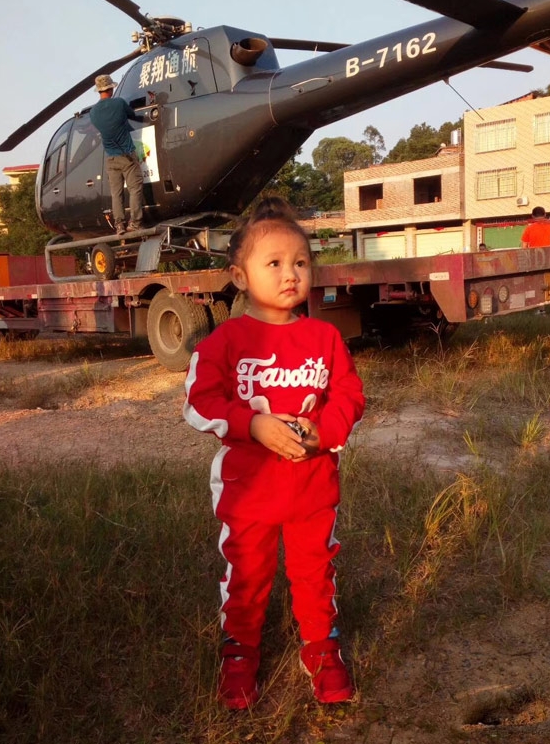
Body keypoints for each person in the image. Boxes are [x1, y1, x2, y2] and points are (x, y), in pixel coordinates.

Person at [183, 197, 365, 710]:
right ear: (240, 276)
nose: (291, 274)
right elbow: (199, 402)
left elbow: (349, 396)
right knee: (246, 572)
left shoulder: (324, 337)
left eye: (301, 262)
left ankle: (321, 647)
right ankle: (240, 651)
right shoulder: (225, 341)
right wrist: (253, 424)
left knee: (315, 571)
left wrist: (322, 434)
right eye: (275, 263)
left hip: (312, 487)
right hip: (248, 493)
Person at [89, 74, 145, 235]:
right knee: (135, 189)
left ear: (99, 90)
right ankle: (135, 222)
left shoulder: (93, 112)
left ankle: (119, 225)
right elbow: (132, 114)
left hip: (111, 158)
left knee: (116, 194)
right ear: (111, 89)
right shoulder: (119, 103)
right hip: (127, 155)